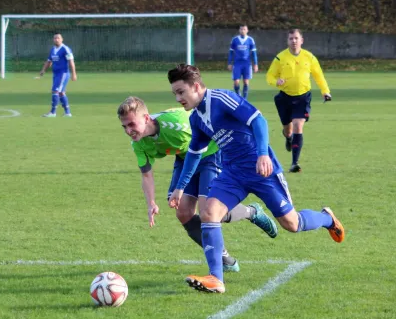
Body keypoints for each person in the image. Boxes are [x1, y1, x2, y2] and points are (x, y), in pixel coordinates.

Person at [167, 64, 345, 294]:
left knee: (292, 224)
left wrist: (262, 153)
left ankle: (326, 219)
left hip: (262, 170)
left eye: (181, 92)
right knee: (209, 213)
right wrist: (180, 187)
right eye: (175, 93)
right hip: (232, 173)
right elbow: (193, 153)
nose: (178, 98)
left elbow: (257, 120)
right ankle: (216, 278)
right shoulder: (196, 119)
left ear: (197, 86)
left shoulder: (221, 99)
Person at [117, 96, 278, 273]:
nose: (128, 131)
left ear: (146, 118)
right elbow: (146, 175)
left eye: (131, 124)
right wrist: (151, 203)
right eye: (124, 126)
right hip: (185, 158)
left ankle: (251, 212)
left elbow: (209, 126)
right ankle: (222, 255)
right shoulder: (138, 143)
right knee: (183, 213)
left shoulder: (178, 124)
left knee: (208, 211)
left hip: (211, 153)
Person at [266, 29, 332, 173]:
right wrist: (276, 81)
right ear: (287, 41)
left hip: (303, 97)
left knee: (297, 125)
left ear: (302, 40)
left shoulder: (309, 57)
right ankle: (288, 138)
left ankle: (294, 163)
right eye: (291, 39)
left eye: (296, 38)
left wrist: (325, 91)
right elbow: (269, 76)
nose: (294, 41)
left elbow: (318, 75)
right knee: (288, 130)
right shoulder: (280, 58)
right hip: (284, 97)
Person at [38, 33, 77, 117]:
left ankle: (53, 112)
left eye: (58, 38)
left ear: (62, 39)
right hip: (56, 74)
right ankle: (67, 113)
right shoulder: (53, 49)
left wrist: (74, 74)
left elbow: (71, 61)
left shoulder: (65, 49)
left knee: (55, 91)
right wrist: (43, 70)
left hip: (63, 73)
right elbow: (49, 61)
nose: (56, 39)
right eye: (55, 38)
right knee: (61, 93)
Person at [227, 24, 258, 100]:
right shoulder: (235, 40)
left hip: (247, 64)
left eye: (244, 29)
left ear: (247, 30)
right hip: (237, 64)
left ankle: (244, 99)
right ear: (239, 30)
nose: (243, 31)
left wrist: (255, 64)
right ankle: (238, 97)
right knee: (236, 82)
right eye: (241, 29)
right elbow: (231, 52)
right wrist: (229, 63)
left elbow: (254, 53)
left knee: (246, 82)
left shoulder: (250, 40)